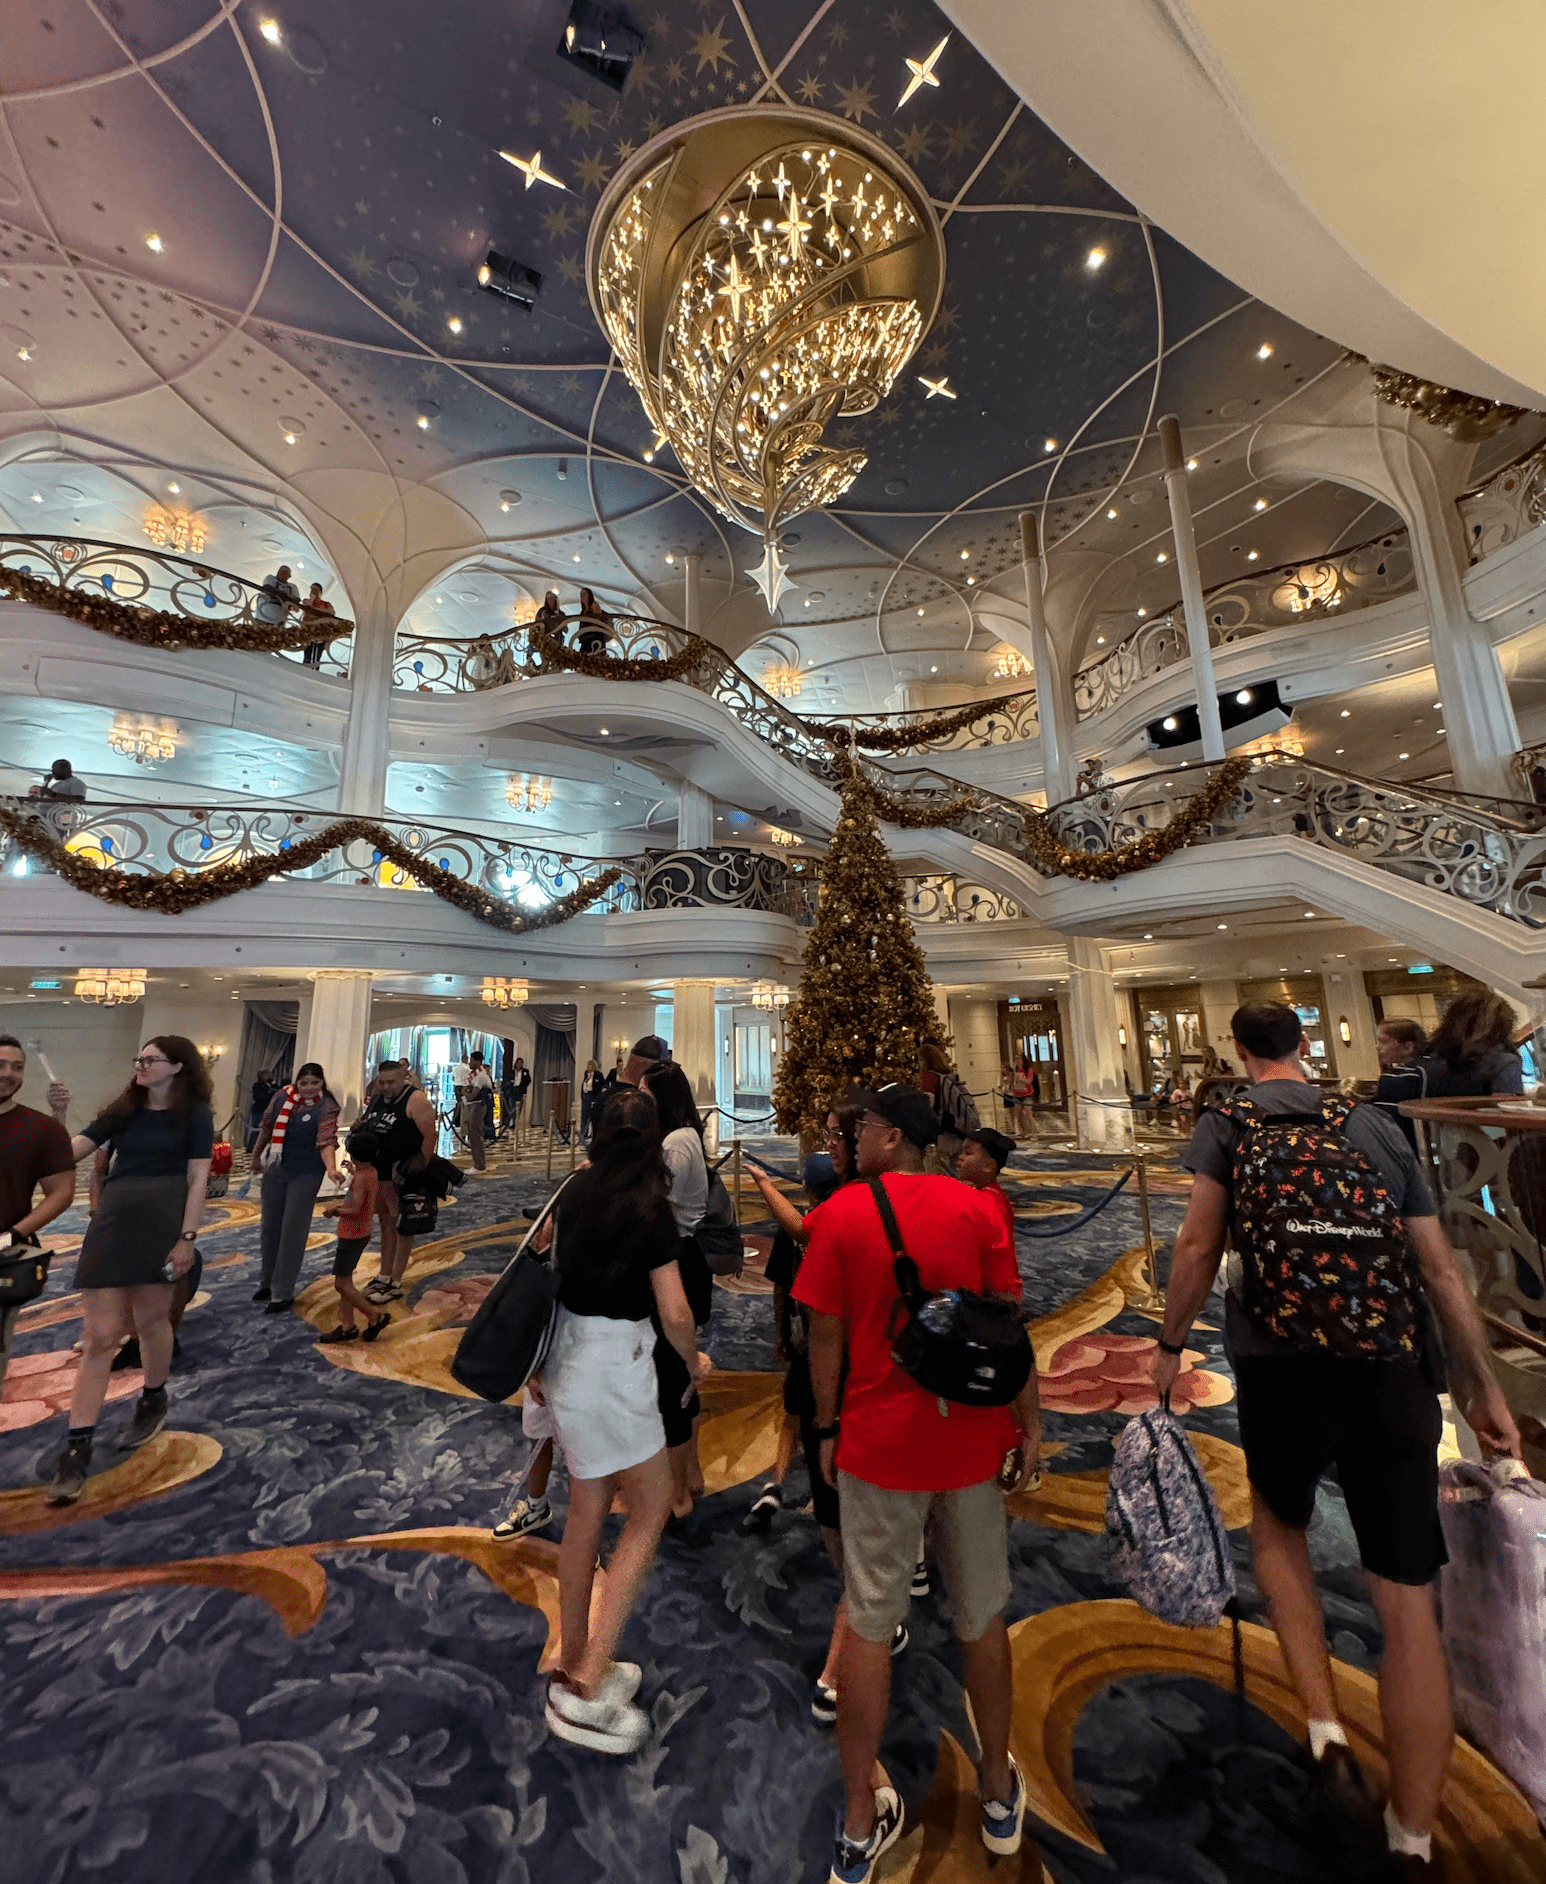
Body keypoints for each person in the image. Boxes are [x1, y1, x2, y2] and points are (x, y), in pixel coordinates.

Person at [1156, 1001, 1521, 1877]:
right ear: (1306, 1048)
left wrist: (1168, 1348)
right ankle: (1414, 1837)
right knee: (1406, 1600)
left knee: (1278, 1531)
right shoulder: (1372, 1124)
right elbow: (1439, 1269)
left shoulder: (1228, 1123)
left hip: (1282, 1369)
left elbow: (1198, 1245)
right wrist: (1481, 1389)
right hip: (1392, 1368)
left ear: (1243, 1055)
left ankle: (1325, 1734)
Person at [793, 1083, 1040, 1879]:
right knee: (981, 1616)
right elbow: (1009, 1324)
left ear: (892, 1137)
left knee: (869, 1624)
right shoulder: (976, 1209)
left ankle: (860, 1819)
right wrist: (1030, 1425)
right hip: (970, 1440)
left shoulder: (837, 1216)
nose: (847, 1137)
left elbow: (822, 1337)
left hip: (877, 1445)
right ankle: (998, 1788)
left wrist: (825, 1429)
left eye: (859, 1127)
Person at [530, 1085, 705, 1754]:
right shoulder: (650, 1206)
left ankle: (576, 1658)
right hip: (617, 1367)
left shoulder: (573, 1192)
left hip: (569, 1359)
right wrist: (690, 1364)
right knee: (653, 1505)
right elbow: (678, 1313)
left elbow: (544, 1266)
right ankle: (584, 1684)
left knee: (587, 1510)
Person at [748, 1106, 917, 1724]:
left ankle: (845, 1656)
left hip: (862, 1376)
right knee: (841, 1518)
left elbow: (803, 1246)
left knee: (862, 1515)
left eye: (836, 1136)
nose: (828, 1143)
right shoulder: (841, 1208)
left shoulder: (850, 1211)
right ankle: (878, 1592)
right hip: (832, 1373)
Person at [39, 1037, 213, 1505]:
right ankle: (77, 1449)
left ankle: (153, 1397)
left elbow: (198, 1177)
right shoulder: (124, 1107)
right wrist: (59, 1115)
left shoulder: (194, 1112)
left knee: (152, 1322)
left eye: (151, 1059)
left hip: (163, 1223)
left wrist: (188, 1238)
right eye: (139, 1058)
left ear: (177, 1067)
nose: (141, 1064)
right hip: (114, 1222)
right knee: (99, 1337)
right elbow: (67, 1153)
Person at [640, 1059, 713, 1523]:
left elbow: (653, 1202)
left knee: (671, 1378)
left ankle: (678, 1495)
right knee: (677, 1376)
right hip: (679, 1255)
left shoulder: (675, 1143)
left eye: (646, 1096)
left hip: (677, 1260)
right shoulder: (680, 1137)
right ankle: (691, 1478)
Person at [0, 1036, 75, 1394]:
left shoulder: (39, 1130)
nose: (8, 1074)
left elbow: (60, 1191)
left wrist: (13, 1234)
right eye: (0, 1065)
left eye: (16, 1067)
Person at [250, 1062, 341, 1313]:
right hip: (277, 1167)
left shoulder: (327, 1107)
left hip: (307, 1172)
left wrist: (332, 1169)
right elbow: (267, 1127)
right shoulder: (281, 1096)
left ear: (322, 1083)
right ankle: (267, 1282)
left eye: (315, 1083)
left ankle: (283, 1291)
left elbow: (326, 1141)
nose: (309, 1088)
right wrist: (256, 1156)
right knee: (270, 1227)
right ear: (296, 1082)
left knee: (292, 1229)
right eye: (304, 1083)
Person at [357, 1061, 437, 1306]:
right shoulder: (379, 1097)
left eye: (392, 1082)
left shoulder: (416, 1099)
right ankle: (384, 1273)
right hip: (379, 1172)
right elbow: (368, 1121)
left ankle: (396, 1279)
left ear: (405, 1078)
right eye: (382, 1082)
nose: (386, 1086)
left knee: (403, 1225)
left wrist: (419, 1169)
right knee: (386, 1224)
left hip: (403, 1174)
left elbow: (429, 1136)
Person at [318, 1126, 389, 1344]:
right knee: (346, 1280)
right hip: (361, 1231)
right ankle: (347, 1325)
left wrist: (335, 1210)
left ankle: (374, 1316)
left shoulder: (361, 1179)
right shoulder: (370, 1173)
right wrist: (353, 1170)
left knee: (341, 1284)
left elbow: (356, 1207)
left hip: (352, 1233)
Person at [956, 1126, 1018, 1245]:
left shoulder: (986, 1203)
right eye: (962, 1152)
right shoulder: (989, 1194)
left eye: (968, 1153)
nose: (961, 1157)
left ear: (988, 1166)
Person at [463, 1052, 493, 1172]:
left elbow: (472, 1095)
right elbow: (468, 1089)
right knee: (473, 1133)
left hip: (478, 1106)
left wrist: (465, 1093)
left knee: (476, 1135)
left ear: (478, 1061)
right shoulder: (474, 1075)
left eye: (472, 1060)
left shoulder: (480, 1076)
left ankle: (479, 1165)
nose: (470, 1062)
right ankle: (477, 1162)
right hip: (473, 1105)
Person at [300, 581, 335, 668]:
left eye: (315, 589)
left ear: (320, 592)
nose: (313, 591)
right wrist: (312, 598)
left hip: (321, 631)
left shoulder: (326, 604)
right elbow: (307, 605)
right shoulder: (306, 600)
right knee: (307, 652)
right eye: (312, 589)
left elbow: (331, 612)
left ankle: (315, 669)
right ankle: (306, 667)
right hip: (308, 630)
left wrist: (315, 610)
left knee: (317, 654)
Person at [573, 586, 614, 656]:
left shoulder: (594, 605)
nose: (582, 596)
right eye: (581, 594)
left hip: (594, 636)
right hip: (586, 637)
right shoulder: (583, 611)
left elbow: (598, 620)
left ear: (589, 595)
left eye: (584, 594)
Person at [247, 1067, 276, 1154]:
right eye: (267, 1074)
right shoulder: (257, 1085)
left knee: (264, 1130)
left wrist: (273, 1084)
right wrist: (267, 1093)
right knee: (256, 1129)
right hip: (259, 1110)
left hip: (267, 1110)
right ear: (263, 1075)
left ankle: (262, 1149)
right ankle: (252, 1148)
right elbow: (257, 1097)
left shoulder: (270, 1084)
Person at [579, 1058, 602, 1141]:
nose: (589, 1066)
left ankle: (595, 1133)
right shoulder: (586, 1074)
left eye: (591, 1064)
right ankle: (584, 1133)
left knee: (592, 1116)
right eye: (588, 1064)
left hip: (592, 1096)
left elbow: (601, 1085)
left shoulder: (598, 1074)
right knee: (584, 1115)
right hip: (586, 1096)